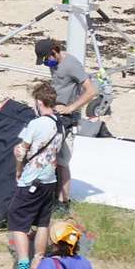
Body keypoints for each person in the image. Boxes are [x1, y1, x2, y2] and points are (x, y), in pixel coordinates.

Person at [1, 82, 65, 269]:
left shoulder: (36, 124)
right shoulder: (59, 125)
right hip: (49, 180)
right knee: (43, 221)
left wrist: (18, 167)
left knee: (17, 220)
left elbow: (21, 151)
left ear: (39, 102)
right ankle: (38, 262)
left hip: (31, 179)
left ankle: (21, 267)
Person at [36, 37, 96, 210]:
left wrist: (71, 108)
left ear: (54, 51)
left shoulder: (71, 64)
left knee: (62, 162)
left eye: (47, 59)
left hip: (68, 119)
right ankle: (50, 196)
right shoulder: (55, 64)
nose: (47, 63)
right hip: (53, 113)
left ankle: (64, 202)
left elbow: (91, 90)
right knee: (47, 157)